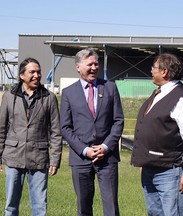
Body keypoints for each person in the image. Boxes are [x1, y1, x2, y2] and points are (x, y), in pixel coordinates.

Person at [131, 53, 183, 216]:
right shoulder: (158, 93)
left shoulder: (182, 98)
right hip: (150, 169)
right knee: (154, 213)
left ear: (164, 71)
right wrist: (144, 161)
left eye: (153, 68)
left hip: (169, 172)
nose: (151, 71)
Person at [0, 57, 62, 216]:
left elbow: (56, 132)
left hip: (39, 158)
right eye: (32, 72)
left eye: (38, 72)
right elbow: (1, 128)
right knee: (11, 205)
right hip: (13, 156)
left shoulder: (49, 98)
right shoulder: (9, 96)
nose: (37, 75)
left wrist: (55, 159)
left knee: (39, 205)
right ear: (22, 75)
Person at [60, 48, 124, 216]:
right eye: (90, 64)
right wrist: (85, 150)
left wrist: (105, 146)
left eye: (96, 63)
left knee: (111, 207)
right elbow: (65, 127)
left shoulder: (110, 88)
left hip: (107, 158)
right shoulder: (68, 93)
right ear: (78, 67)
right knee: (83, 207)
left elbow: (118, 121)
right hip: (80, 159)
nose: (94, 67)